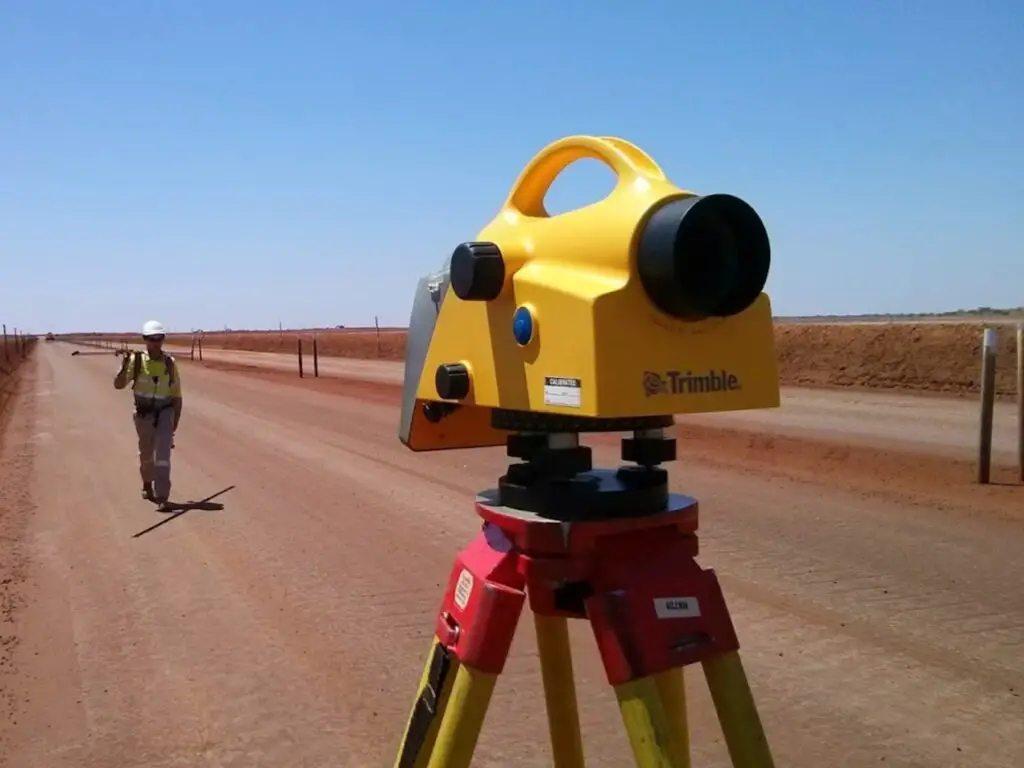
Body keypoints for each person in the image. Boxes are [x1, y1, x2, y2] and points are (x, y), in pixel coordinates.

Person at [113, 320, 182, 509]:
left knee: (163, 455)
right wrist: (123, 365)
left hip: (165, 412)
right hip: (144, 415)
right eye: (151, 339)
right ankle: (147, 484)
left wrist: (174, 422)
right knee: (146, 453)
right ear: (145, 339)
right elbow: (118, 385)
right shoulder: (135, 361)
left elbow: (177, 395)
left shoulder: (170, 363)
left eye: (159, 338)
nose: (155, 342)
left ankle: (162, 496)